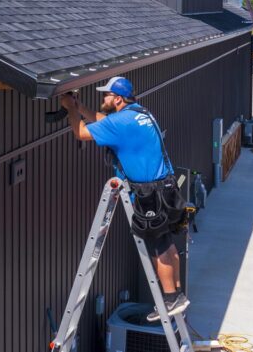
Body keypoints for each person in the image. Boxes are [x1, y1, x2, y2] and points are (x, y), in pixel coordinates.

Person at [61, 76, 189, 321]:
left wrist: (70, 110)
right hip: (167, 188)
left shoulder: (120, 122)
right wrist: (80, 108)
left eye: (106, 96)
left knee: (157, 246)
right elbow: (106, 123)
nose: (103, 99)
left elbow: (80, 132)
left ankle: (171, 299)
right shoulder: (140, 113)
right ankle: (178, 294)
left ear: (117, 99)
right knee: (168, 243)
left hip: (150, 194)